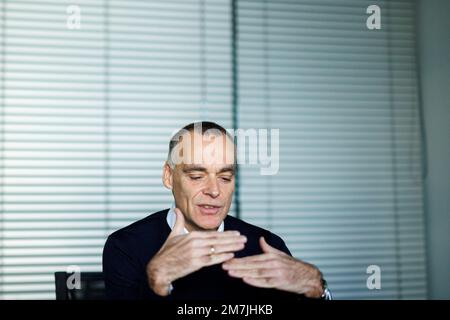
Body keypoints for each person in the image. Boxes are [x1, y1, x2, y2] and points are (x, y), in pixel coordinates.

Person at [103, 121, 330, 300]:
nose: (214, 190)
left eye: (225, 177)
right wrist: (158, 284)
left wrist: (316, 290)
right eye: (196, 176)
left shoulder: (267, 246)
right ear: (169, 177)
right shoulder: (125, 247)